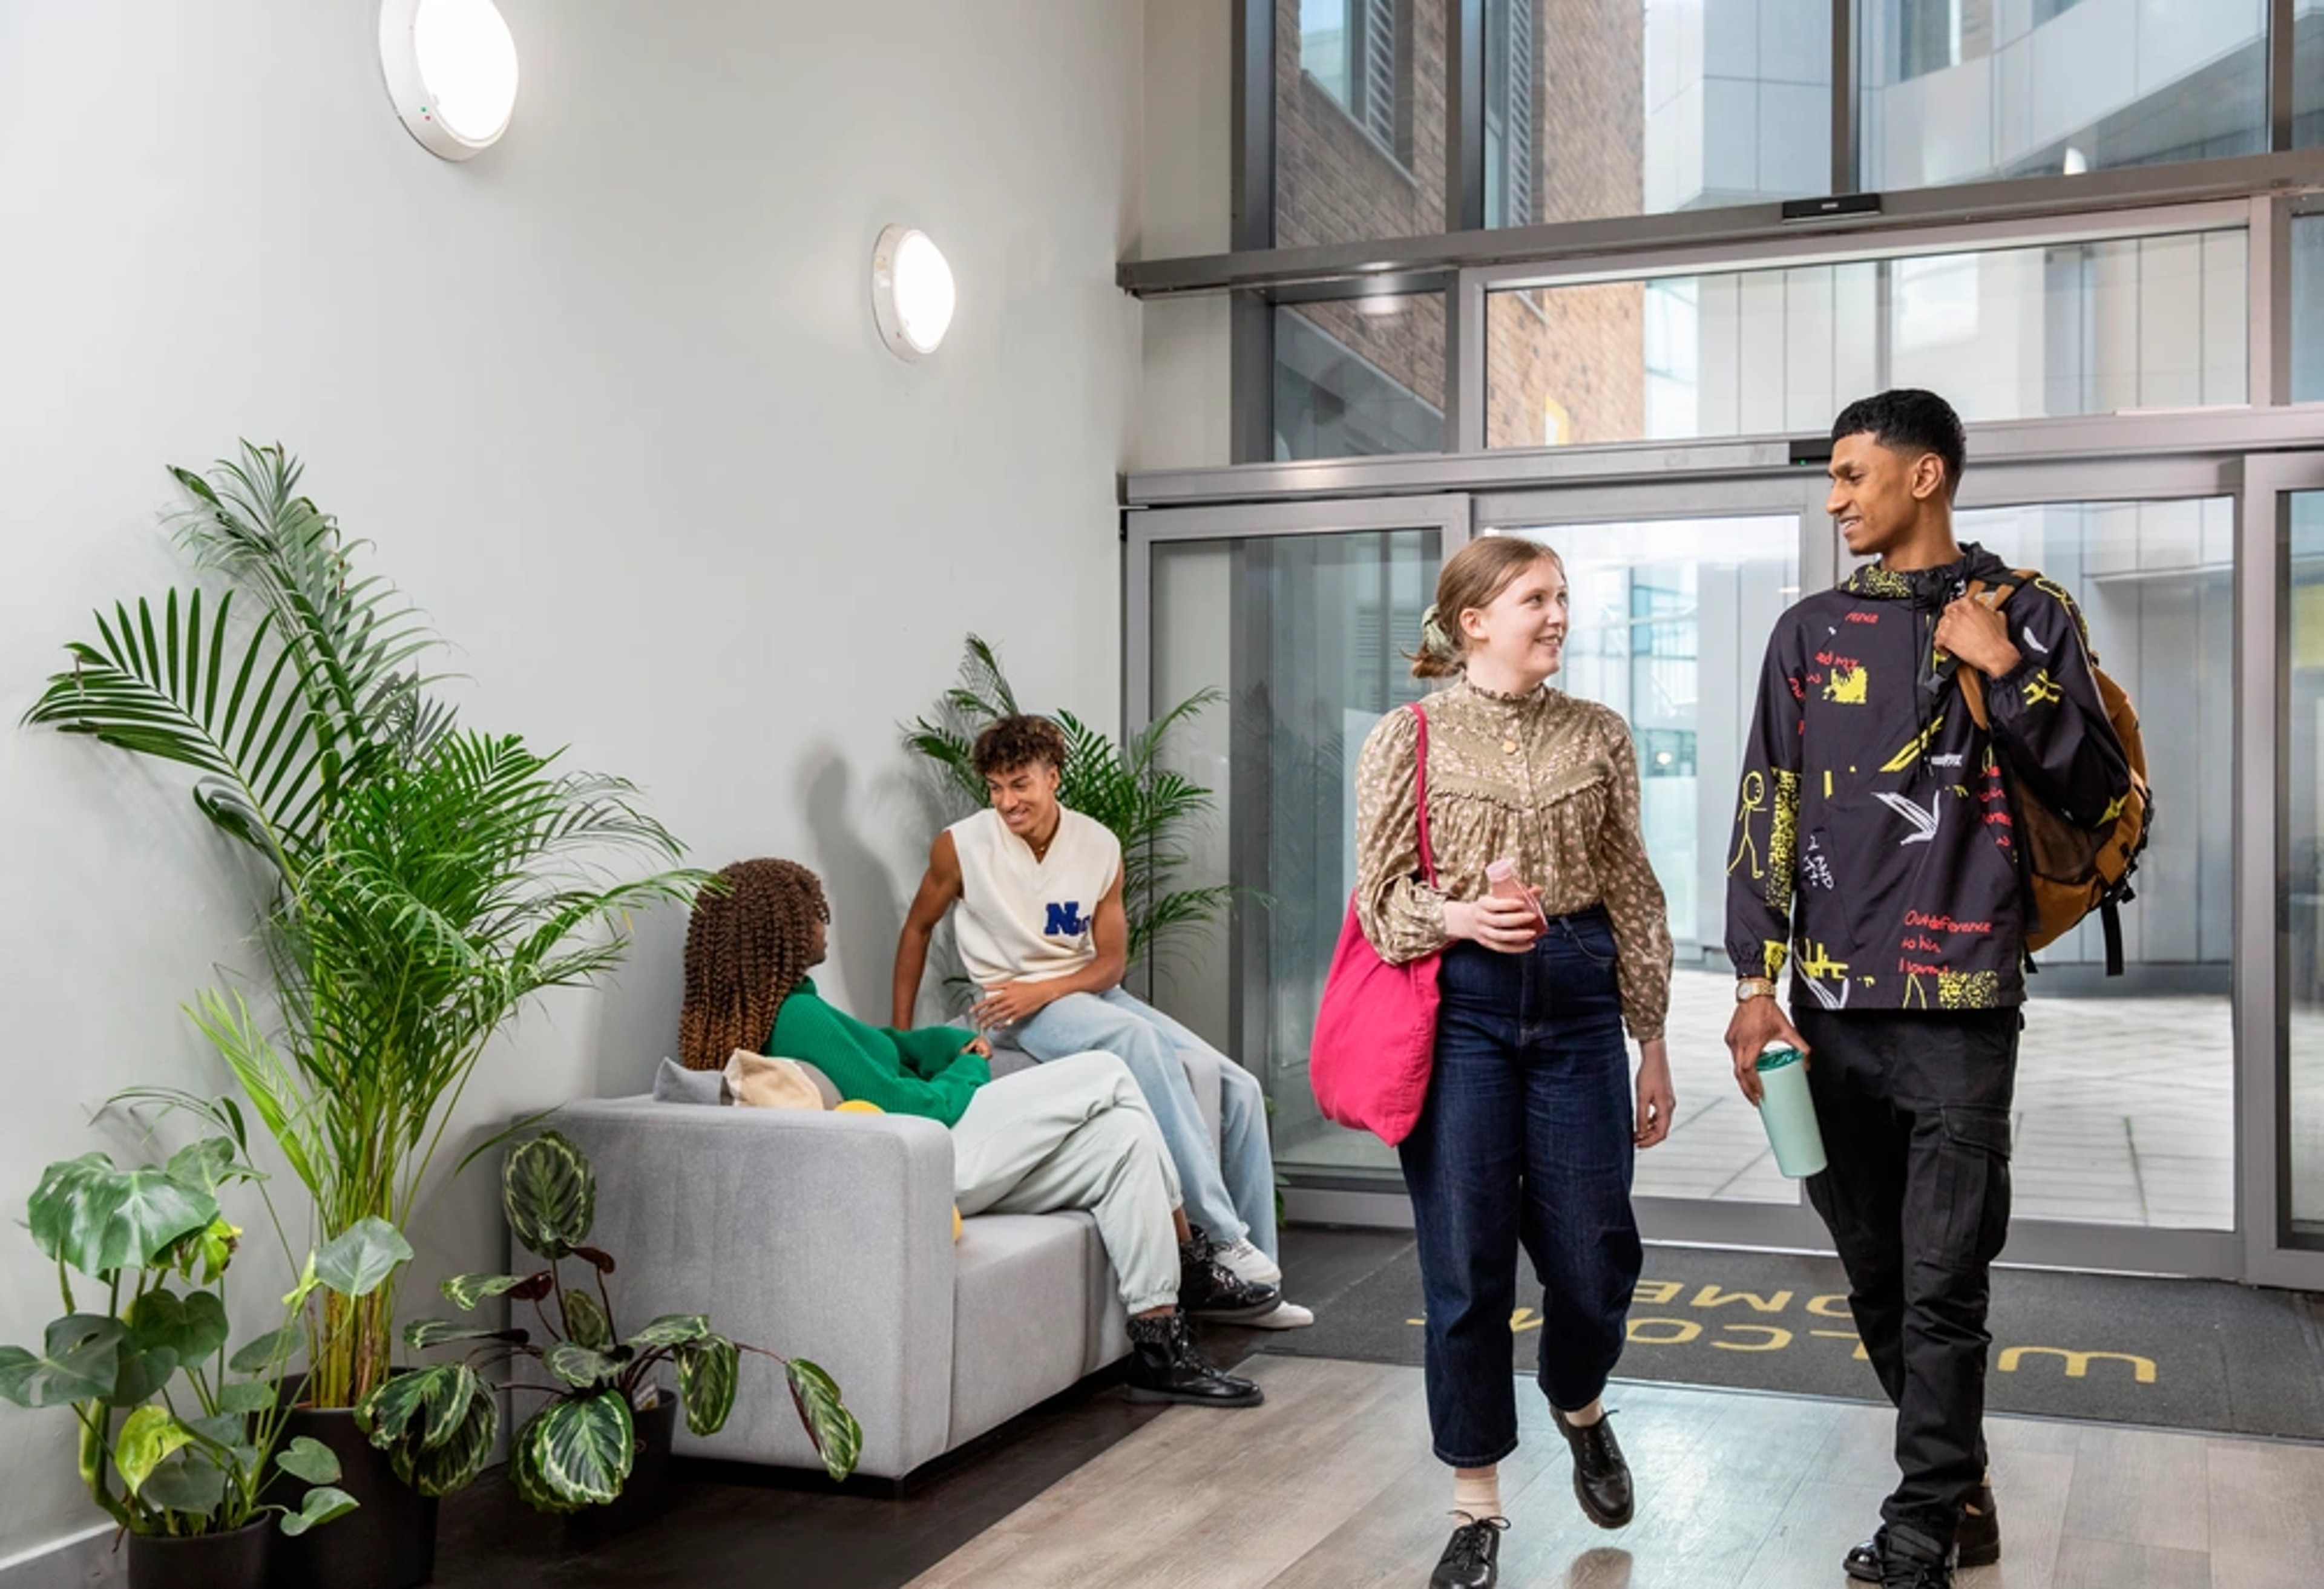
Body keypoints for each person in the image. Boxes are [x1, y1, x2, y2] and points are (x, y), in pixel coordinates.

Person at [1724, 390, 2133, 1589]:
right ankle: (1961, 1483)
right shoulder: (1808, 631)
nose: (1836, 496)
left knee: (1946, 1274)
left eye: (1854, 474)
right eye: (1832, 476)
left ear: (1927, 476)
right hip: (1832, 1011)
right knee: (1876, 1273)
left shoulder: (2031, 613)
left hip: (1965, 1007)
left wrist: (2004, 669)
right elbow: (1769, 801)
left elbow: (2101, 793)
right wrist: (1755, 983)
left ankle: (1920, 1521)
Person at [1353, 536, 1677, 1589]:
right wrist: (1461, 916)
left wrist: (1653, 1039)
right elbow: (1379, 901)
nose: (1558, 616)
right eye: (1536, 598)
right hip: (1463, 1011)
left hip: (1580, 997)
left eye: (1563, 598)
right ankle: (1476, 1505)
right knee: (1466, 1265)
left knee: (1594, 1257)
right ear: (1473, 620)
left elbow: (1632, 887)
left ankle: (1579, 1400)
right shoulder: (1406, 739)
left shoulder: (1602, 734)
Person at [680, 857, 1279, 1407]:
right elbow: (906, 1103)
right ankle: (1193, 1255)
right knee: (1108, 1071)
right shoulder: (797, 1016)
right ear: (777, 931)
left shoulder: (791, 1007)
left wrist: (945, 1043)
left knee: (1122, 1137)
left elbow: (889, 1049)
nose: (823, 921)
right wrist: (971, 1064)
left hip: (935, 1157)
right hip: (932, 1157)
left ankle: (1159, 1347)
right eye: (812, 910)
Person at [894, 713, 1313, 1329]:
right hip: (1010, 1008)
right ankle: (1223, 1236)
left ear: (1053, 777)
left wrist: (1047, 987)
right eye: (996, 787)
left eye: (1020, 784)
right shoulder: (960, 845)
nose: (1007, 801)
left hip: (1080, 992)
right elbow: (917, 929)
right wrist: (901, 1037)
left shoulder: (1098, 846)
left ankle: (1255, 1296)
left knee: (1239, 1087)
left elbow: (1112, 963)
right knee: (1134, 1038)